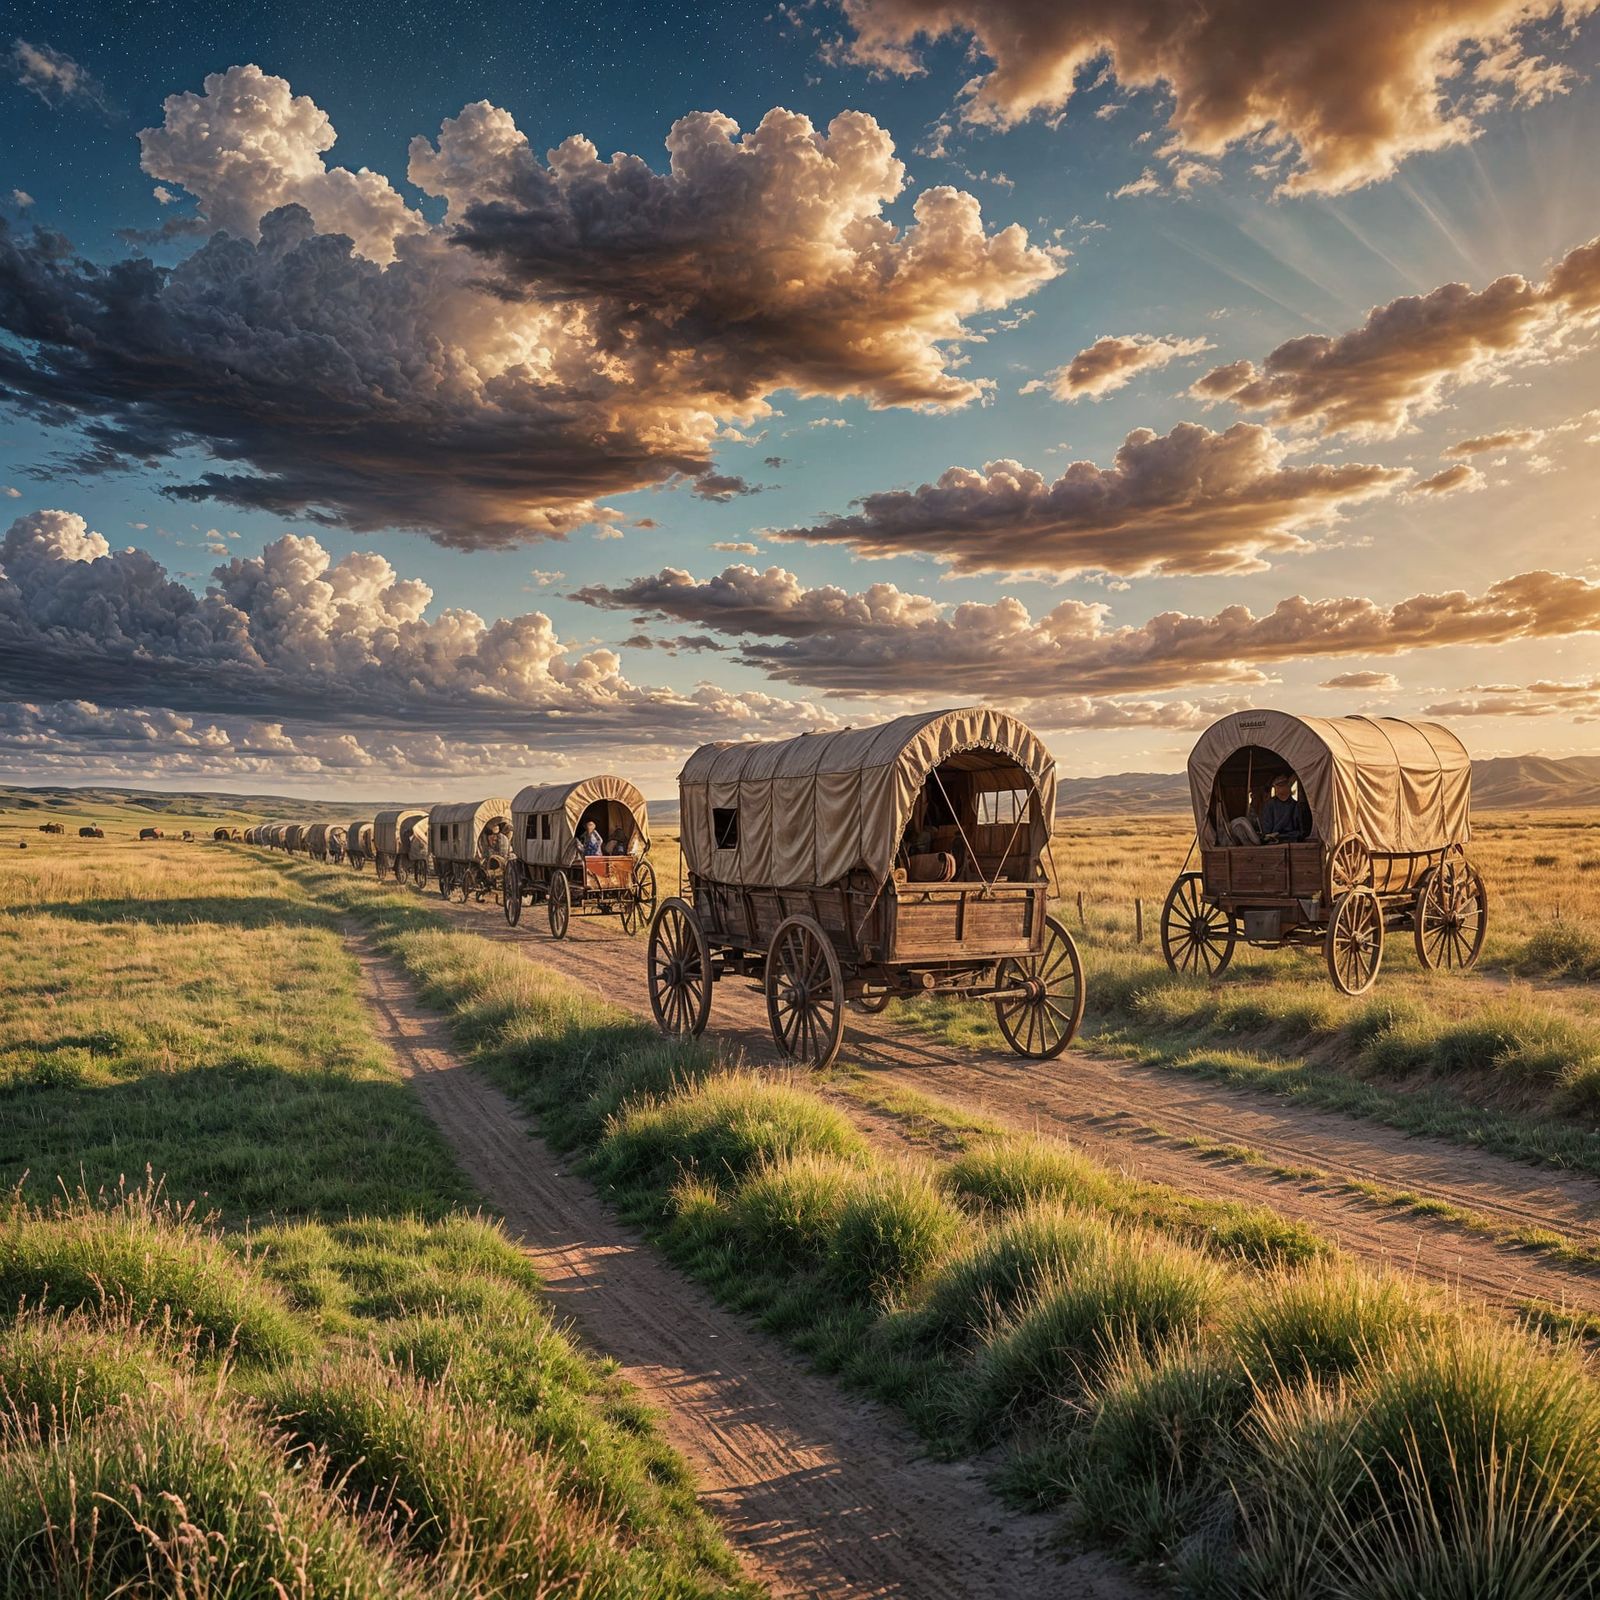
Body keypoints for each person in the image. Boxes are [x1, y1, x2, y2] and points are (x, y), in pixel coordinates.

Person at [1260, 775, 1311, 842]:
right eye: (1279, 786)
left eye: (1283, 785)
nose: (1281, 789)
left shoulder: (1295, 805)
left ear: (1288, 787)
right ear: (1276, 788)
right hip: (1273, 841)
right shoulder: (1269, 805)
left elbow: (1301, 830)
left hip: (1292, 839)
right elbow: (1267, 830)